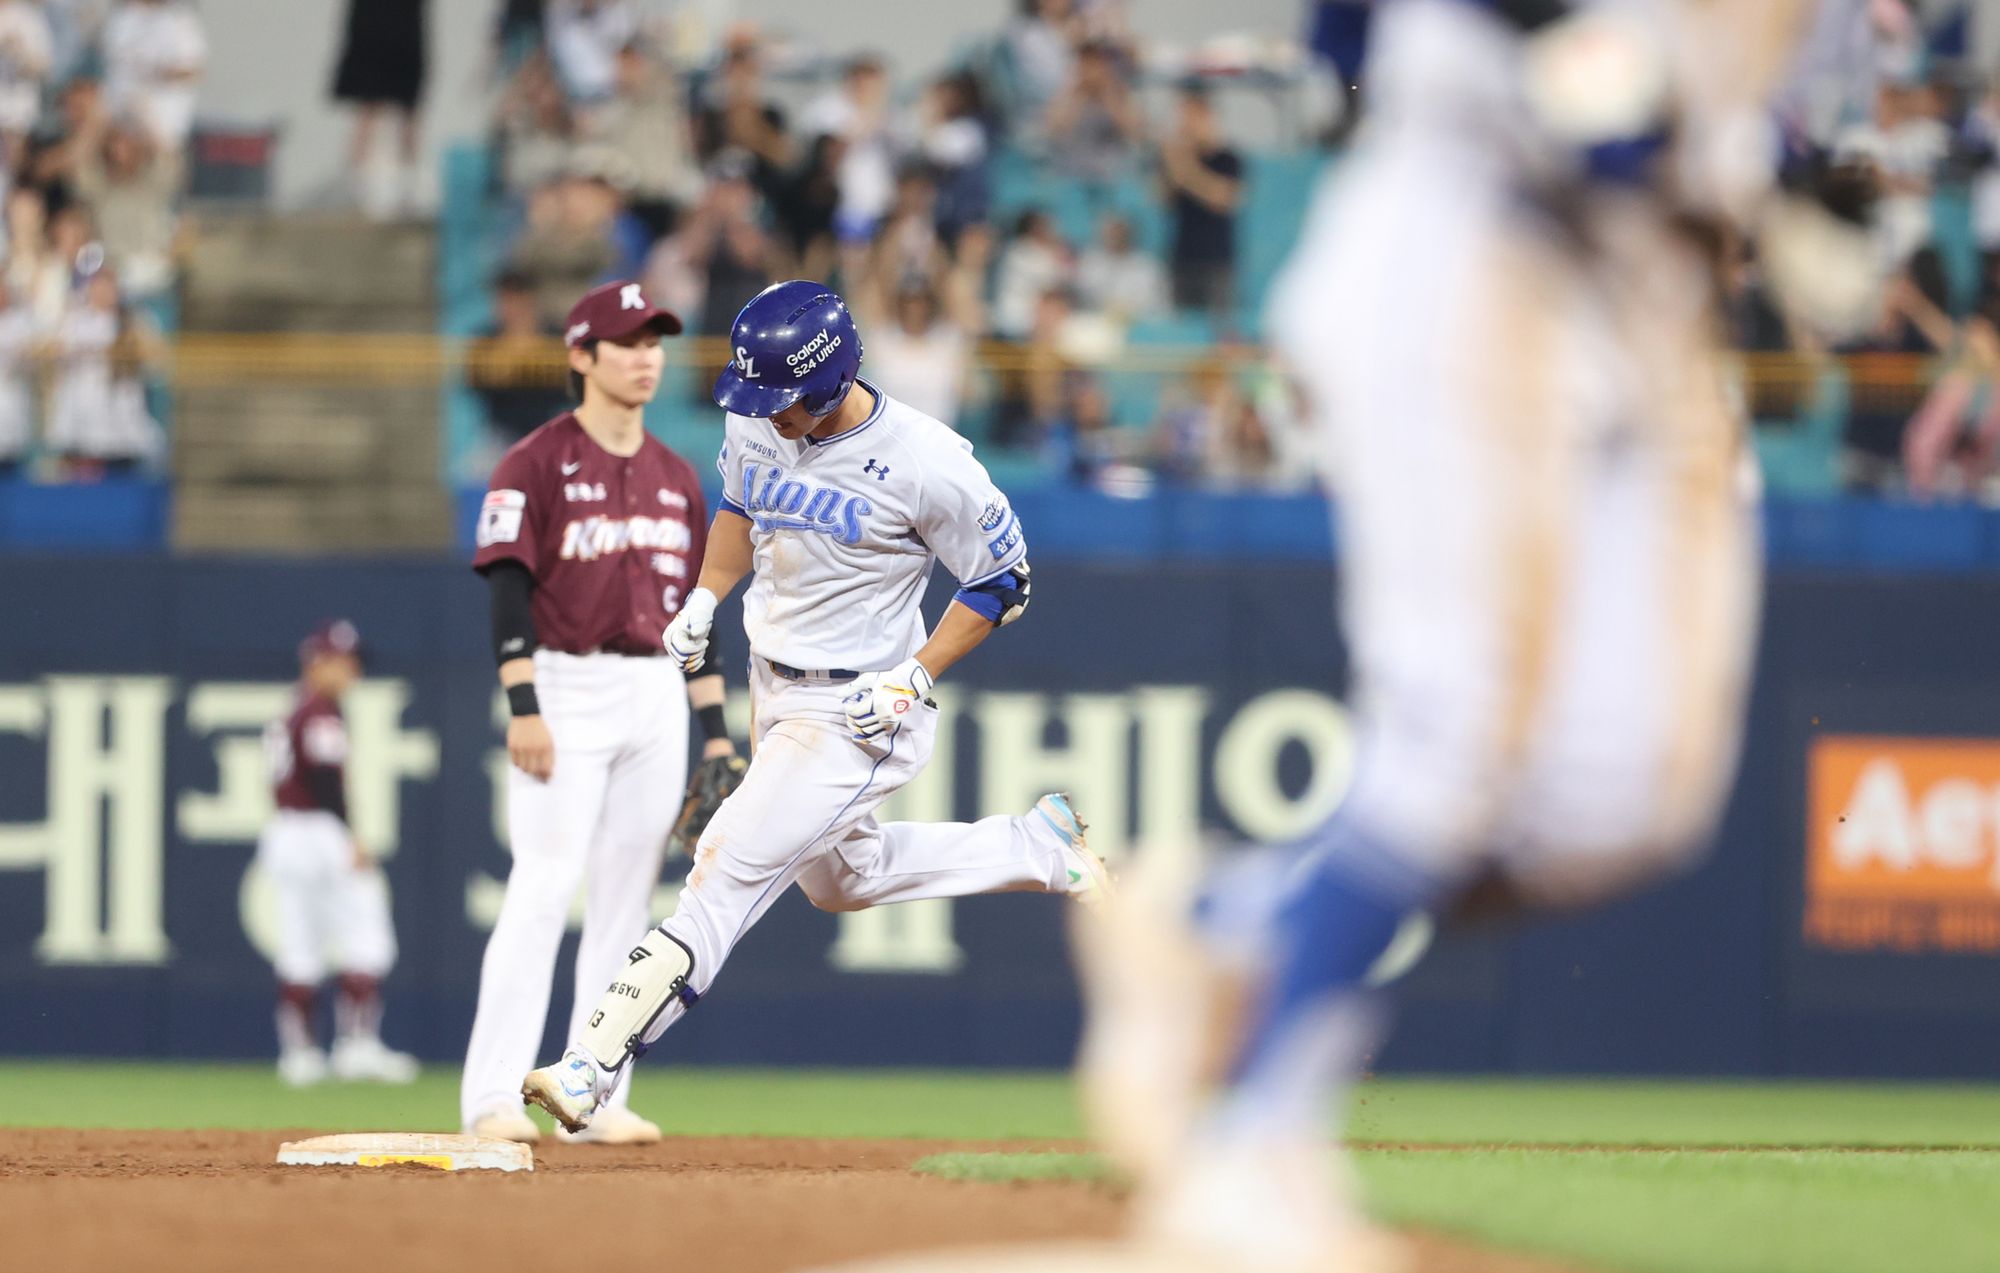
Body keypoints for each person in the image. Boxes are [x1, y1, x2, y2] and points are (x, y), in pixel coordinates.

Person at [1074, 1, 1830, 1266]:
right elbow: (1353, 36)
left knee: (1626, 795)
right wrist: (1574, 60)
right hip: (1473, 235)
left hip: (1649, 296)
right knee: (1456, 728)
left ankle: (1215, 919)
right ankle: (1254, 1144)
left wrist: (1785, 175)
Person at [520, 280, 1110, 1134]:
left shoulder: (926, 458)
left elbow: (1002, 580)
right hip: (774, 683)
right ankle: (1038, 845)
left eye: (783, 397)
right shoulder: (757, 417)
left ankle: (591, 1064)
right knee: (842, 881)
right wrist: (705, 596)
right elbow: (740, 508)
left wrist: (915, 674)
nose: (766, 412)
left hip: (859, 707)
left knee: (722, 869)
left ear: (832, 380)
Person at [460, 279, 733, 1146]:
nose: (647, 357)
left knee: (626, 900)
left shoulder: (678, 477)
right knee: (543, 884)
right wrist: (524, 703)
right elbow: (508, 586)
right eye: (629, 342)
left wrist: (716, 734)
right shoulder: (533, 462)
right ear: (581, 354)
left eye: (656, 342)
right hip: (564, 684)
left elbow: (695, 617)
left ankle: (594, 1095)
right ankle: (492, 1095)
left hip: (655, 689)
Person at [258, 620, 420, 1087]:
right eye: (342, 662)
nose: (351, 672)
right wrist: (350, 835)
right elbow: (327, 779)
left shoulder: (291, 709)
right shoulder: (320, 712)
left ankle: (299, 1055)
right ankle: (356, 1046)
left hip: (286, 829)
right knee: (366, 937)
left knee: (299, 945)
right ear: (316, 661)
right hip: (320, 831)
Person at [330, 0, 429, 221]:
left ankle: (404, 192)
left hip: (395, 30)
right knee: (372, 112)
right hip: (382, 30)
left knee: (395, 113)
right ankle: (359, 191)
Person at [1160, 84, 1243, 321]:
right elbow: (1162, 199)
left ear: (1207, 116)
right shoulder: (1179, 157)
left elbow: (1223, 198)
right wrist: (1173, 162)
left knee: (1220, 327)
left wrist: (1186, 169)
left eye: (1191, 115)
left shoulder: (1227, 158)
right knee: (1184, 327)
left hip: (1216, 261)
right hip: (1183, 258)